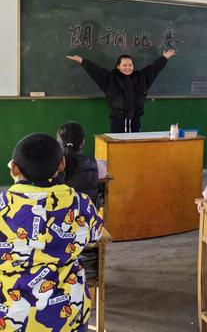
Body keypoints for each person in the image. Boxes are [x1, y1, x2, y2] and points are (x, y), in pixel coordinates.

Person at [0, 133, 103, 331]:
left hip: (10, 317)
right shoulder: (79, 204)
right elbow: (96, 234)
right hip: (67, 316)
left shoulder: (3, 204)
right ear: (62, 164)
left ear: (14, 168)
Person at [66, 49, 176, 132]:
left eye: (130, 65)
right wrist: (82, 61)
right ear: (118, 66)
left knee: (134, 149)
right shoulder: (110, 79)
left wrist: (164, 57)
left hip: (135, 121)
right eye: (124, 65)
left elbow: (154, 69)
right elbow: (95, 70)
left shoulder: (141, 78)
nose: (127, 68)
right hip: (117, 122)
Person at [57, 122, 99, 206]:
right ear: (82, 142)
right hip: (87, 215)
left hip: (61, 216)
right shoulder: (96, 164)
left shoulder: (52, 166)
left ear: (59, 142)